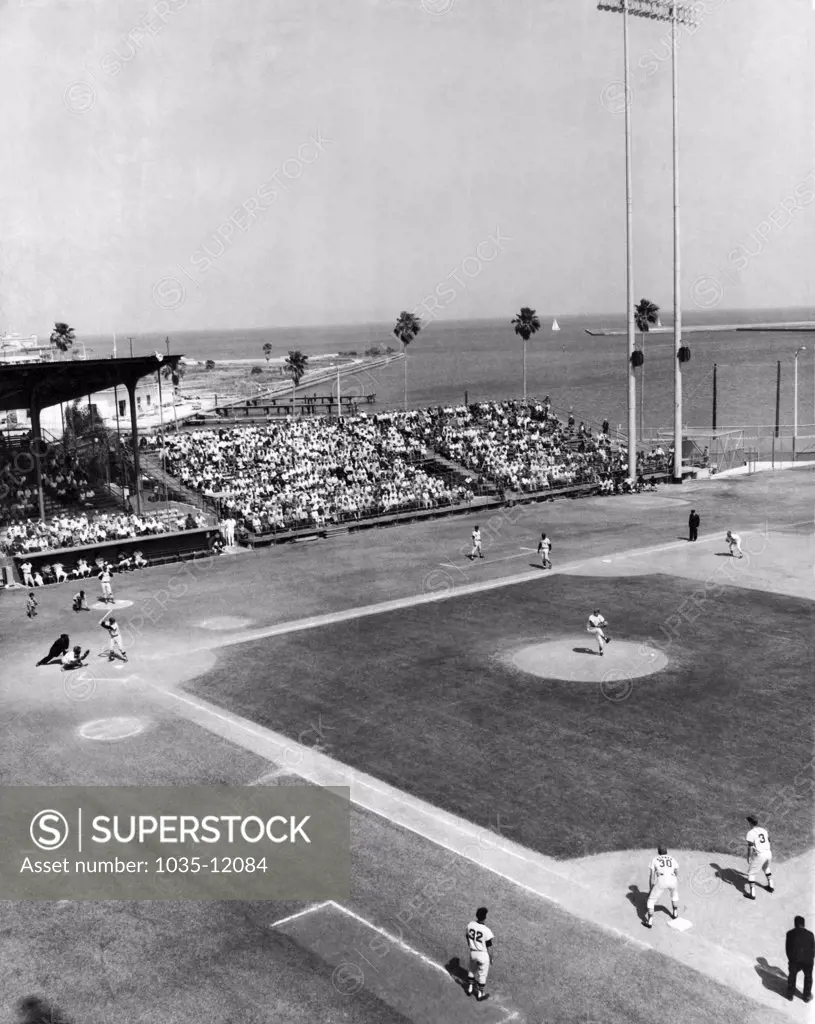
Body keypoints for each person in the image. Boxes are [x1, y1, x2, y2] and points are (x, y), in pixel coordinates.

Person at [645, 845, 680, 927]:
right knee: (674, 895)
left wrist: (651, 889)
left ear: (658, 851)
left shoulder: (655, 859)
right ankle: (675, 914)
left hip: (662, 880)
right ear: (666, 851)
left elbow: (652, 876)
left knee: (651, 901)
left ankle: (649, 921)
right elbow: (677, 872)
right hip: (673, 879)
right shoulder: (672, 859)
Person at [464, 907, 494, 1002]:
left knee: (472, 970)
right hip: (483, 955)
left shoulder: (470, 925)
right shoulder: (486, 930)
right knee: (482, 975)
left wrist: (471, 946)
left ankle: (469, 988)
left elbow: (467, 937)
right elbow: (489, 947)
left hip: (473, 953)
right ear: (485, 917)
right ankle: (480, 994)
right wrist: (491, 958)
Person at [786, 916, 814, 1002]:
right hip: (808, 960)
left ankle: (790, 994)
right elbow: (813, 948)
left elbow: (788, 949)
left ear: (795, 924)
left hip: (795, 959)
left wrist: (791, 959)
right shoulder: (810, 934)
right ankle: (806, 996)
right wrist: (810, 958)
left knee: (792, 974)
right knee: (808, 977)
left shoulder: (790, 933)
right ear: (804, 924)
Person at [744, 815, 773, 899]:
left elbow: (750, 846)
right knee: (766, 868)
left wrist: (748, 856)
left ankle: (752, 894)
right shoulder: (763, 830)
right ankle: (771, 886)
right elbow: (769, 840)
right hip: (768, 853)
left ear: (749, 822)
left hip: (761, 855)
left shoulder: (750, 833)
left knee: (751, 873)